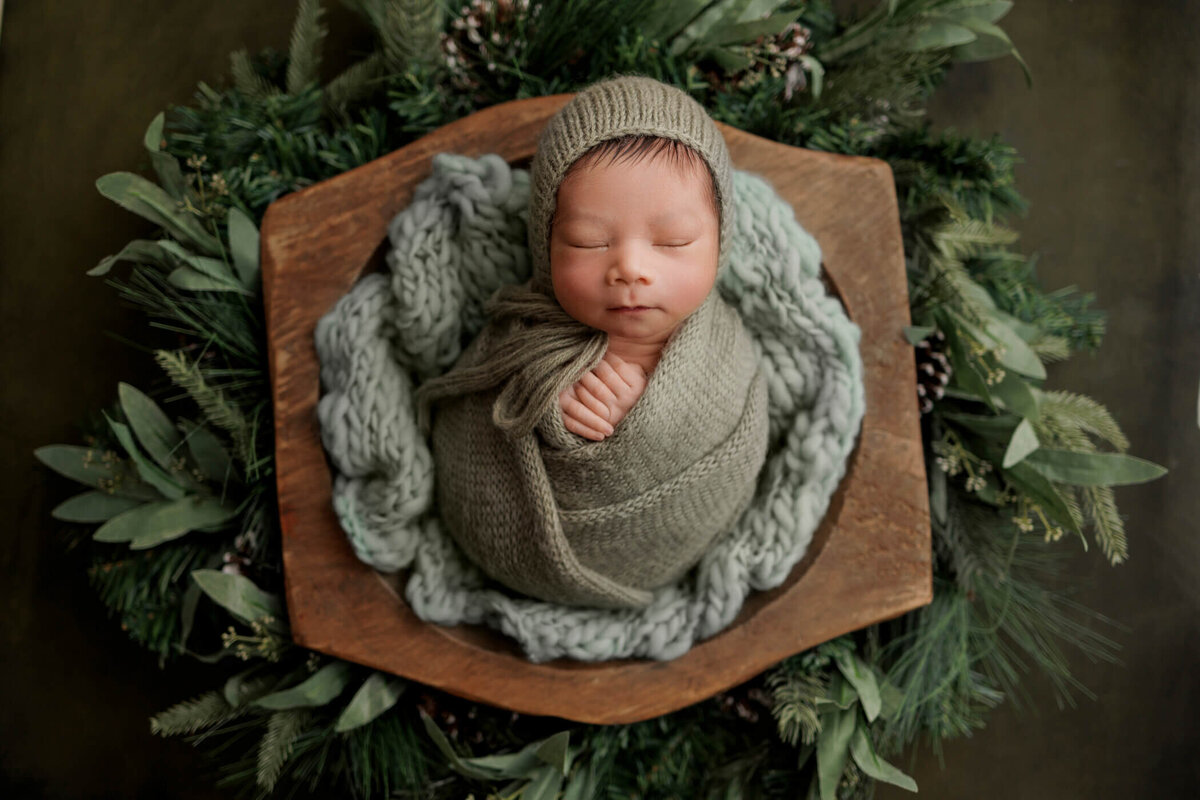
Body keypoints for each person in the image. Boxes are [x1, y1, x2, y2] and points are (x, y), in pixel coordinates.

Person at [417, 75, 770, 609]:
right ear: (544, 242)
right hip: (512, 543)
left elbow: (737, 448)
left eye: (673, 241)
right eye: (588, 241)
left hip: (660, 546)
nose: (629, 267)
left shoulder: (726, 354)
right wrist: (544, 399)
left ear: (720, 240)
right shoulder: (522, 333)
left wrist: (646, 422)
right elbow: (473, 419)